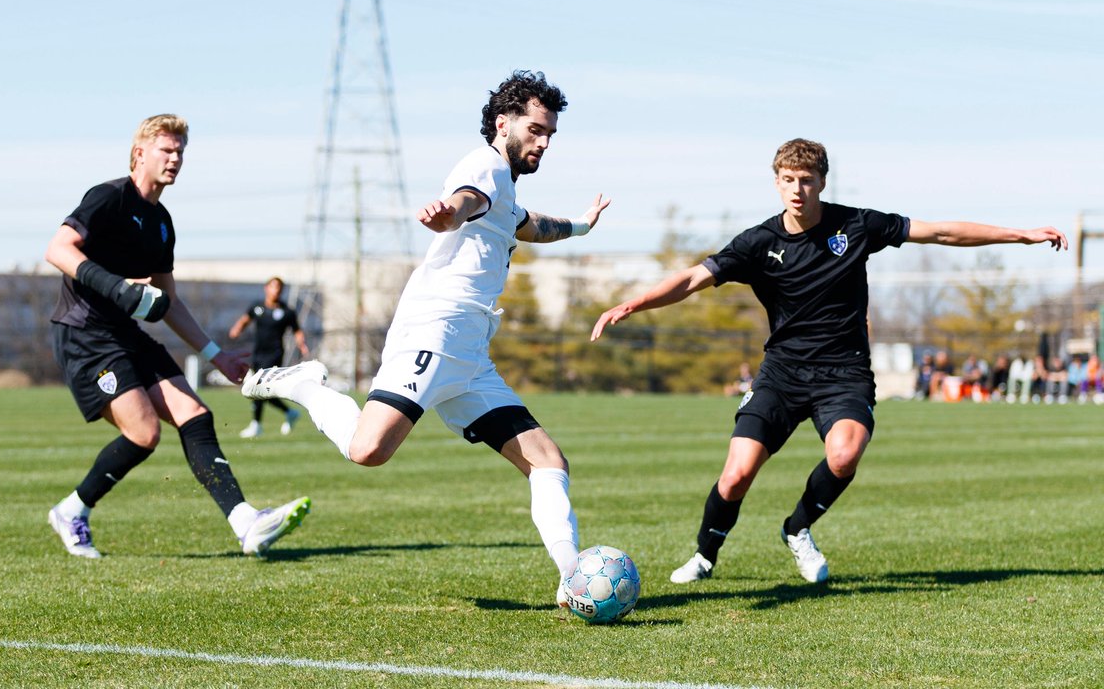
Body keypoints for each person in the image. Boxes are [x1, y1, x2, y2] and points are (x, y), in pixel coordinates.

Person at [591, 138, 1067, 584]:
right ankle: (704, 555)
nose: (798, 189)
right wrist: (633, 304)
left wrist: (1020, 234)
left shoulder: (856, 225)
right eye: (788, 179)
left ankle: (797, 528)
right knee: (736, 476)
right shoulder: (757, 243)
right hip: (782, 373)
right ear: (777, 182)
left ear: (821, 182)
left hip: (845, 373)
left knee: (844, 455)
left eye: (807, 179)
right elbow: (693, 278)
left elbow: (941, 232)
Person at [241, 71, 610, 604]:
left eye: (550, 133)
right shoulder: (483, 167)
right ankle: (307, 386)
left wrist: (580, 226)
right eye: (535, 130)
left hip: (470, 356)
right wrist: (446, 217)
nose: (544, 142)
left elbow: (530, 225)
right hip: (434, 334)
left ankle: (573, 578)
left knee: (548, 462)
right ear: (502, 124)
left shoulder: (505, 189)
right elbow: (462, 202)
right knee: (367, 450)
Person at [44, 114, 309, 559]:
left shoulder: (161, 221)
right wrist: (117, 287)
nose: (175, 158)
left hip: (123, 333)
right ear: (139, 154)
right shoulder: (107, 198)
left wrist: (215, 354)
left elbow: (169, 300)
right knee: (144, 433)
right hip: (83, 335)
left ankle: (246, 523)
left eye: (180, 151)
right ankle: (72, 511)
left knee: (194, 413)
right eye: (166, 150)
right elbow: (57, 249)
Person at [230, 277, 310, 438]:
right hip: (258, 352)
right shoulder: (258, 307)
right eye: (273, 287)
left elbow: (297, 331)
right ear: (266, 288)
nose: (276, 291)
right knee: (262, 390)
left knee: (258, 386)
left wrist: (302, 345)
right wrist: (237, 328)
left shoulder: (287, 311)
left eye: (279, 288)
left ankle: (256, 425)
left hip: (275, 354)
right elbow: (245, 319)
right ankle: (289, 412)